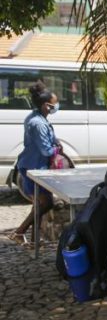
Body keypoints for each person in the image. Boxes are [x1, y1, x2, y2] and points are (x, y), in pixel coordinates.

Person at [10, 81, 61, 243]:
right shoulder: (37, 123)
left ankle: (34, 240)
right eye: (55, 103)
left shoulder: (37, 117)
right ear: (47, 106)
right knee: (46, 203)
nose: (57, 106)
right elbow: (46, 150)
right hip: (34, 168)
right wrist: (58, 149)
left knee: (39, 203)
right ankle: (20, 232)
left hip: (35, 166)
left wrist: (56, 143)